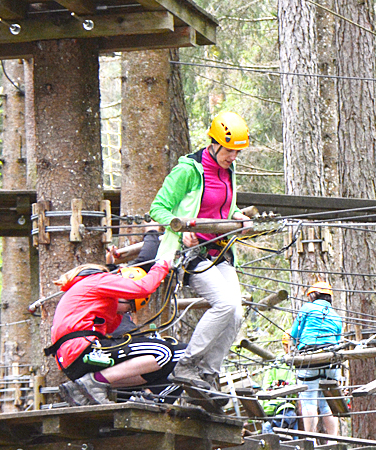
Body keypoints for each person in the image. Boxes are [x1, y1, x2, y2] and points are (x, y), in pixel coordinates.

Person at [150, 111, 254, 396]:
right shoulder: (188, 170)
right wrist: (180, 229)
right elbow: (158, 208)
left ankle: (209, 374)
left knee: (235, 313)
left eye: (237, 152)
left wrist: (239, 218)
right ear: (215, 144)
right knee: (224, 303)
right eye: (230, 150)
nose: (233, 157)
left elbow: (225, 209)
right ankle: (187, 365)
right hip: (191, 252)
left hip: (220, 251)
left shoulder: (228, 171)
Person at [45, 260, 176, 406]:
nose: (129, 311)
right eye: (130, 306)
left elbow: (111, 329)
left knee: (157, 366)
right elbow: (143, 288)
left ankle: (82, 390)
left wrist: (118, 310)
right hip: (81, 349)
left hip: (72, 358)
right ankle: (94, 382)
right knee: (162, 351)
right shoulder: (98, 280)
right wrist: (163, 265)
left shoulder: (84, 290)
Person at [290, 281, 343, 435]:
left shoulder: (307, 308)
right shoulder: (336, 316)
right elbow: (337, 339)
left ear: (314, 295)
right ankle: (333, 441)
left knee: (309, 401)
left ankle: (311, 441)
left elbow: (294, 334)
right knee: (327, 404)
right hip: (331, 360)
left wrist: (295, 344)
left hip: (309, 358)